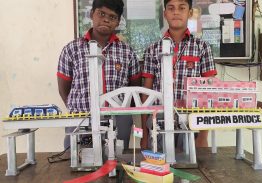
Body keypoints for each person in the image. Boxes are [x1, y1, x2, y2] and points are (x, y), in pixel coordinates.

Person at [57, 0, 141, 150]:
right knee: (76, 164)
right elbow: (64, 88)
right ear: (91, 14)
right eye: (101, 14)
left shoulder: (127, 52)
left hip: (118, 121)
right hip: (80, 119)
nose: (106, 19)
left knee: (116, 166)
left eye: (112, 17)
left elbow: (135, 89)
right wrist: (78, 108)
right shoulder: (71, 49)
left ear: (118, 22)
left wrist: (122, 113)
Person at [141, 0, 217, 149]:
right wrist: (144, 134)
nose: (176, 12)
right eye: (171, 8)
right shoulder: (152, 50)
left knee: (190, 168)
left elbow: (210, 92)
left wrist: (203, 135)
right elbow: (146, 94)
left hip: (191, 124)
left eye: (181, 8)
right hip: (158, 124)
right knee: (159, 168)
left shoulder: (202, 47)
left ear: (189, 13)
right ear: (164, 14)